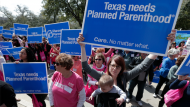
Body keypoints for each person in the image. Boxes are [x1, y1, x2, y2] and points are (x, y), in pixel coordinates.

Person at [77, 30, 175, 105]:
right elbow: (86, 67)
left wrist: (161, 45)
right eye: (113, 65)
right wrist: (82, 46)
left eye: (118, 66)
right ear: (109, 65)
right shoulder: (101, 76)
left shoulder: (125, 76)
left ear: (122, 67)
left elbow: (143, 66)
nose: (115, 68)